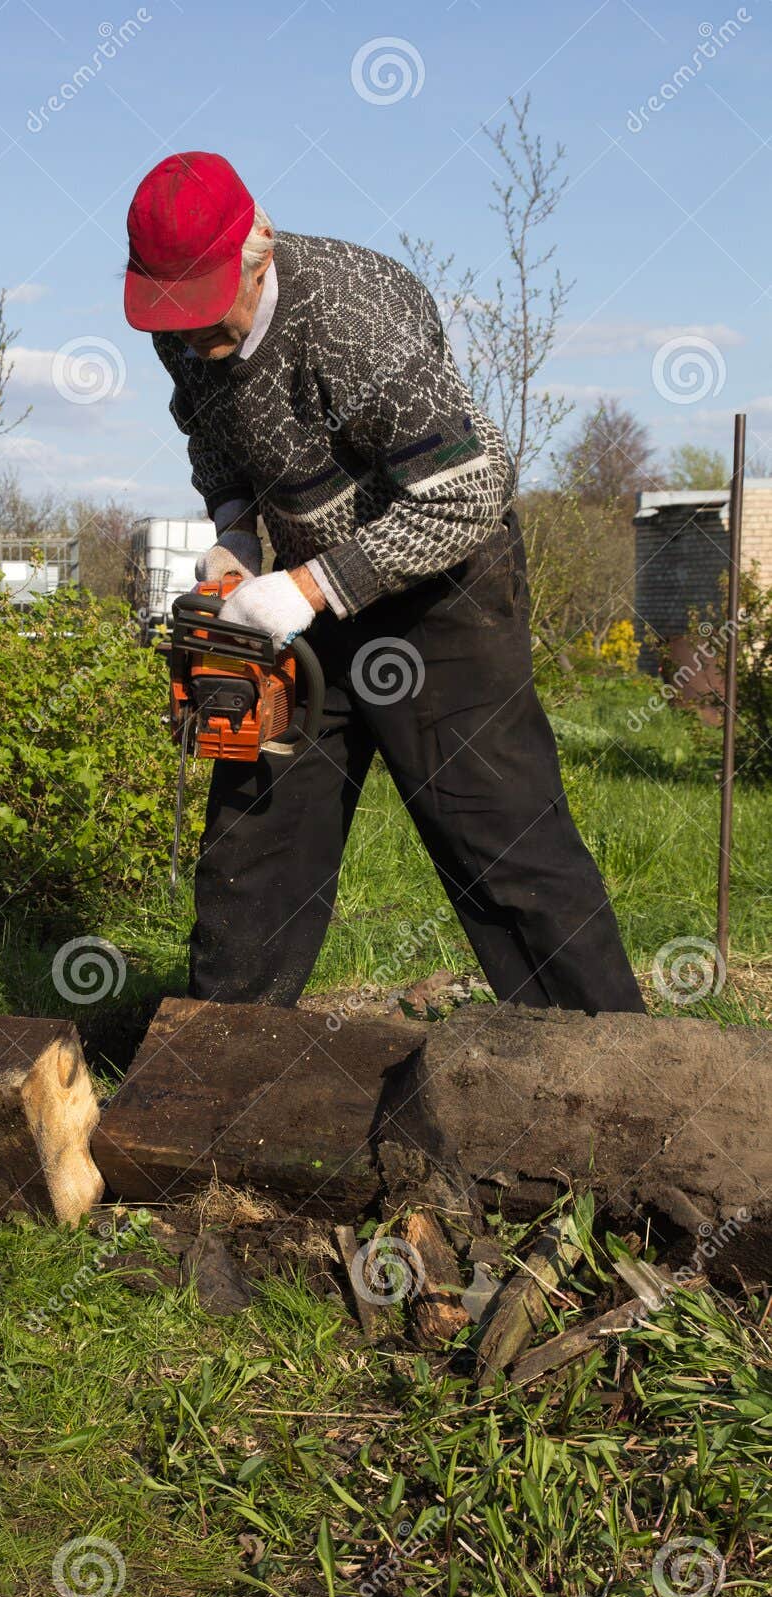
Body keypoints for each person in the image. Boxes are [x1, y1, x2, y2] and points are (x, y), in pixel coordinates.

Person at [123, 151, 644, 1014]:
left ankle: (612, 1069)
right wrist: (237, 539)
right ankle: (215, 1074)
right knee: (255, 841)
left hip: (438, 588)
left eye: (205, 309)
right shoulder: (180, 325)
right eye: (169, 315)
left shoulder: (354, 319)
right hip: (297, 592)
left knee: (495, 829)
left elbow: (469, 491)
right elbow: (212, 438)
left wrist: (308, 589)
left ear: (258, 249)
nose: (189, 336)